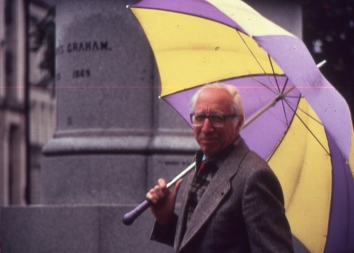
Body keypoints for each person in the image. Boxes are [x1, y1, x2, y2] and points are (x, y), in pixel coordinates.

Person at [146, 83, 294, 253]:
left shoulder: (254, 176)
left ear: (238, 123)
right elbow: (201, 241)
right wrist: (167, 220)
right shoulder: (202, 163)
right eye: (200, 117)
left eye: (217, 118)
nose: (206, 129)